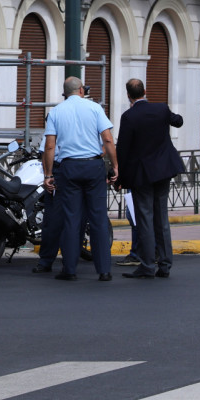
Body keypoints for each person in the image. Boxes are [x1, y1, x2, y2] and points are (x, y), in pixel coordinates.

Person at [41, 76, 119, 281]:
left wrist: (48, 174)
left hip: (68, 168)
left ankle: (69, 269)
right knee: (98, 218)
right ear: (82, 90)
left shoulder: (56, 112)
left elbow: (49, 146)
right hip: (94, 166)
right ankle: (104, 270)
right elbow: (108, 139)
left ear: (65, 93)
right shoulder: (95, 108)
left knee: (71, 219)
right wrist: (114, 165)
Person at [116, 78, 184, 279]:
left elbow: (123, 149)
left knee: (144, 219)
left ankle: (146, 265)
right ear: (145, 91)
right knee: (161, 218)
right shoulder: (161, 109)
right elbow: (178, 121)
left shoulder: (129, 117)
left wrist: (119, 177)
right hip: (164, 170)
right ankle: (165, 264)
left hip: (142, 174)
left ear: (128, 95)